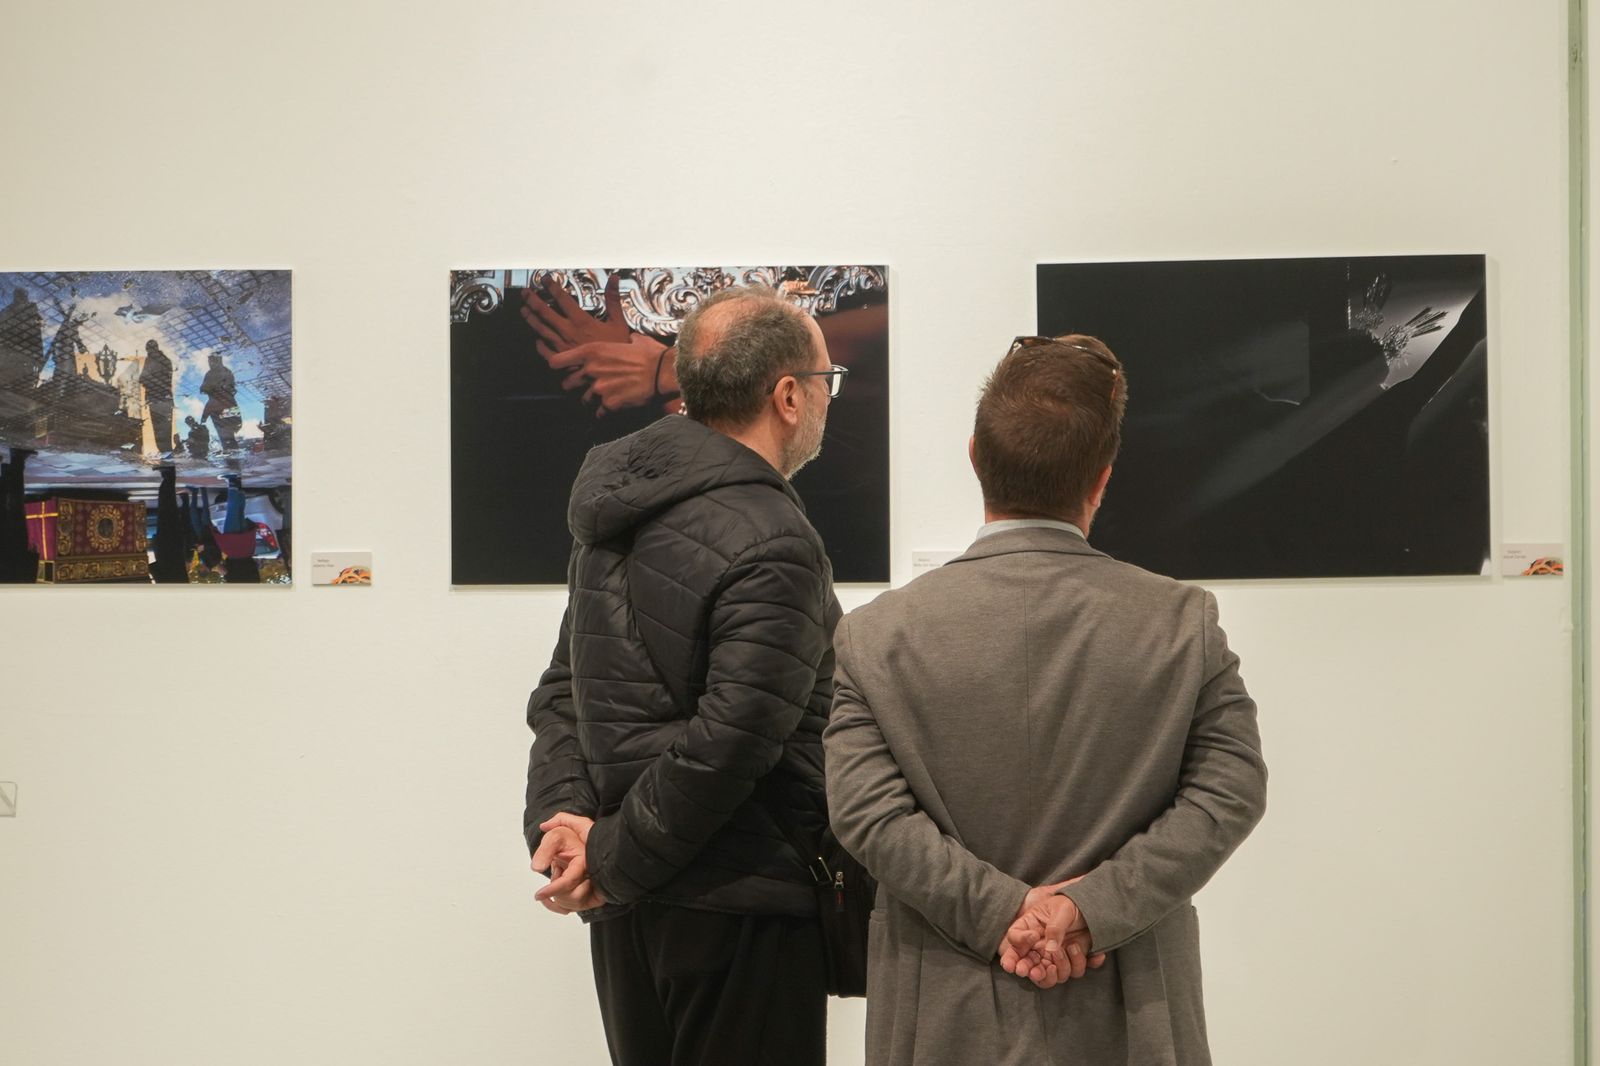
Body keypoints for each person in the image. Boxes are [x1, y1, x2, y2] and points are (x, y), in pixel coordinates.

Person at [824, 335, 1268, 1065]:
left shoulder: (877, 637)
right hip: (1130, 1012)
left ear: (974, 456)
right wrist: (1088, 911)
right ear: (1102, 478)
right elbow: (1231, 790)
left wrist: (1004, 915)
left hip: (941, 1014)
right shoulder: (1179, 622)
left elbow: (866, 813)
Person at [524, 286, 846, 1066]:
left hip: (631, 906)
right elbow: (732, 743)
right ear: (789, 396)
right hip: (739, 903)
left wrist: (565, 821)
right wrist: (601, 858)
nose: (831, 399)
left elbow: (561, 691)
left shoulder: (614, 511)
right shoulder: (777, 538)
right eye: (829, 382)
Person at [140, 340, 175, 458]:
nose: (148, 352)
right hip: (162, 398)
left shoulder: (152, 361)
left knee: (159, 426)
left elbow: (143, 378)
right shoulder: (164, 360)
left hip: (157, 397)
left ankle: (165, 451)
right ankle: (166, 451)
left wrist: (148, 381)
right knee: (163, 426)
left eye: (149, 349)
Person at [200, 353, 242, 448]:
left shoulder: (210, 374)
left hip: (218, 409)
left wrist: (204, 416)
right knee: (229, 434)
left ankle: (231, 453)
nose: (210, 363)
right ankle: (233, 451)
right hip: (230, 406)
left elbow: (204, 390)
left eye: (211, 361)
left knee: (225, 435)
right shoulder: (227, 371)